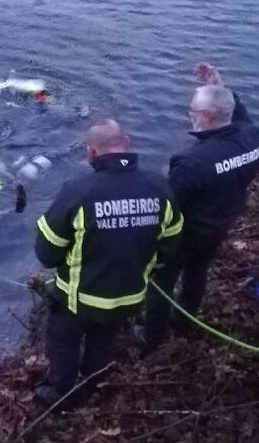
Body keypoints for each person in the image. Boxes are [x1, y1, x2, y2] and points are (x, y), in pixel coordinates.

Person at [34, 119, 183, 405]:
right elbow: (171, 242)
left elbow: (47, 253)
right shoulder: (160, 188)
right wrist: (146, 267)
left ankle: (61, 394)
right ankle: (95, 384)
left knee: (63, 341)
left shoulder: (77, 191)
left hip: (78, 298)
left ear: (91, 152)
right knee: (104, 339)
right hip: (129, 295)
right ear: (126, 143)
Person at [141, 63, 259, 349]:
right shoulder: (252, 136)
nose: (190, 116)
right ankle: (185, 322)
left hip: (187, 233)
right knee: (198, 270)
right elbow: (239, 113)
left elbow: (166, 207)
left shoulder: (192, 162)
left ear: (206, 118)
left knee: (162, 282)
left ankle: (153, 339)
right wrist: (219, 87)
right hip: (222, 221)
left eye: (192, 111)